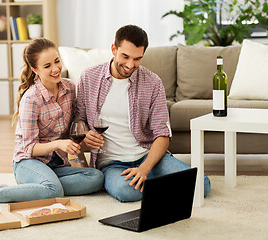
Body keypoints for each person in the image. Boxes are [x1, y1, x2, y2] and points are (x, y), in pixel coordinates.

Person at [0, 38, 104, 206]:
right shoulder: (31, 99)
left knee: (96, 178)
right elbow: (29, 149)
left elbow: (77, 122)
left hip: (57, 164)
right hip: (28, 163)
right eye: (47, 66)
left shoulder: (70, 88)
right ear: (35, 69)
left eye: (57, 61)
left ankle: (29, 191)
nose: (55, 69)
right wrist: (58, 144)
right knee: (54, 191)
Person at [75, 25, 211, 202]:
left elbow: (162, 134)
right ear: (113, 49)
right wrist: (87, 134)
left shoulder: (153, 82)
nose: (130, 65)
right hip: (112, 163)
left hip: (148, 157)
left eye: (137, 59)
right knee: (126, 191)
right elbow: (79, 120)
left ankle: (152, 180)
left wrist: (145, 169)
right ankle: (167, 184)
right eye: (125, 56)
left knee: (202, 185)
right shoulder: (89, 77)